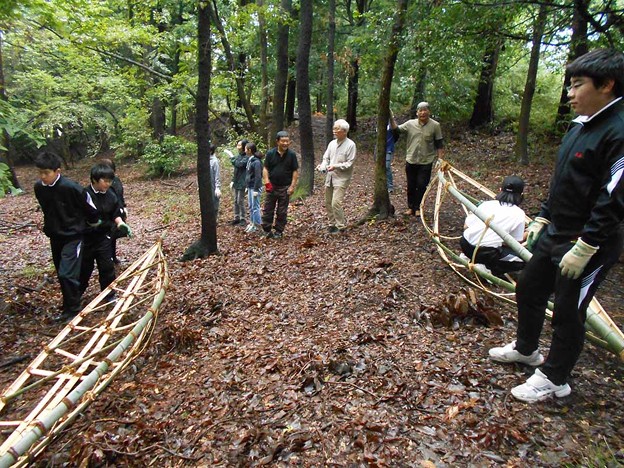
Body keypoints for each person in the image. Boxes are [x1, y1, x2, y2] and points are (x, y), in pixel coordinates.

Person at [489, 49, 624, 403]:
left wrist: (587, 245)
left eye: (577, 85)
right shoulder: (581, 124)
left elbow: (616, 195)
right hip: (555, 233)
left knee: (568, 310)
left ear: (607, 84)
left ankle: (554, 377)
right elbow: (563, 178)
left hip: (590, 241)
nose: (570, 93)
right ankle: (526, 349)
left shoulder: (619, 130)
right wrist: (545, 215)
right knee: (529, 288)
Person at [33, 152, 99, 321]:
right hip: (55, 236)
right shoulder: (39, 188)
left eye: (46, 173)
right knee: (61, 272)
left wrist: (91, 223)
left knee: (67, 273)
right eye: (40, 173)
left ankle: (74, 309)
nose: (43, 177)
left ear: (57, 171)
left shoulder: (71, 187)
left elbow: (89, 206)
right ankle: (67, 307)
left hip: (73, 236)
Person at [80, 163, 133, 302]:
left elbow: (115, 212)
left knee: (107, 266)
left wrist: (120, 223)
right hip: (86, 238)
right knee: (85, 268)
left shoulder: (111, 194)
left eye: (110, 181)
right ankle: (75, 297)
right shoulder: (85, 194)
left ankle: (109, 295)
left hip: (104, 236)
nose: (108, 184)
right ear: (95, 180)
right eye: (105, 181)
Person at [460, 175, 526, 277]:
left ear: (500, 190)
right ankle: (487, 267)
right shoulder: (519, 214)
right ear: (521, 194)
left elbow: (466, 226)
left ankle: (470, 258)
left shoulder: (486, 204)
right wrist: (528, 234)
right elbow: (514, 243)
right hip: (486, 254)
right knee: (524, 260)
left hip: (465, 244)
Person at [390, 102, 444, 216]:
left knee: (421, 185)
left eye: (425, 110)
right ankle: (410, 208)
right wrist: (390, 116)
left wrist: (440, 159)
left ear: (429, 111)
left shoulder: (435, 125)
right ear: (417, 113)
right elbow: (397, 129)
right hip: (411, 159)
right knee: (411, 184)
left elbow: (439, 143)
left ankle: (418, 207)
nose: (423, 112)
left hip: (426, 161)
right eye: (420, 110)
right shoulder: (410, 124)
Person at [316, 119, 357, 233]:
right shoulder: (332, 143)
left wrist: (335, 166)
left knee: (336, 202)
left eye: (337, 129)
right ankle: (332, 224)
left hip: (342, 178)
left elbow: (349, 163)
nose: (334, 131)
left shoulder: (351, 145)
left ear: (344, 131)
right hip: (330, 177)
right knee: (328, 202)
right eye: (334, 128)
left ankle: (341, 226)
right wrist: (323, 166)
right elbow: (326, 158)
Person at [261, 131, 299, 239]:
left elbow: (295, 171)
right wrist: (267, 182)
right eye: (283, 141)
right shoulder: (270, 153)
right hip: (272, 186)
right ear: (277, 141)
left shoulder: (291, 155)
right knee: (268, 209)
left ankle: (279, 231)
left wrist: (292, 186)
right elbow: (265, 168)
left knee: (282, 211)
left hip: (285, 187)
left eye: (287, 141)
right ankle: (267, 230)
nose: (285, 143)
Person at [100, 159, 127, 264]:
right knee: (108, 235)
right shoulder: (102, 183)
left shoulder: (116, 180)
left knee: (114, 235)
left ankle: (113, 257)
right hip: (107, 212)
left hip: (117, 210)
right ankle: (108, 258)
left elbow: (120, 195)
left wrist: (124, 207)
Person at [244, 142, 263, 233]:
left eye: (245, 149)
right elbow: (249, 175)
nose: (244, 150)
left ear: (249, 150)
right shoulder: (250, 160)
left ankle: (257, 225)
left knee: (255, 207)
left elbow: (258, 176)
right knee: (251, 206)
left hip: (255, 187)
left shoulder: (257, 162)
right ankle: (252, 223)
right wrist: (247, 186)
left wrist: (256, 189)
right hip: (250, 187)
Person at [229, 139, 248, 226]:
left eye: (239, 145)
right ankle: (236, 217)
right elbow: (236, 170)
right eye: (237, 145)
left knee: (240, 200)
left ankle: (243, 219)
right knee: (235, 200)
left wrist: (232, 157)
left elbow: (239, 165)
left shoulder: (246, 157)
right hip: (237, 181)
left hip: (243, 182)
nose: (238, 147)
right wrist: (233, 180)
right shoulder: (239, 156)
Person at [209, 144, 222, 220]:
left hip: (213, 185)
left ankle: (214, 219)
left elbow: (217, 175)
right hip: (206, 185)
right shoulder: (204, 160)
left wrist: (217, 187)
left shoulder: (214, 161)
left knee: (214, 203)